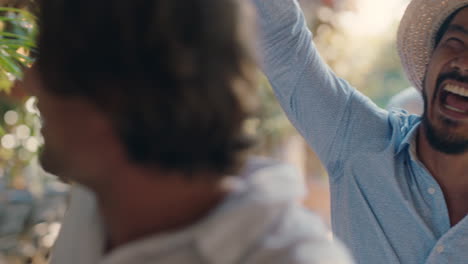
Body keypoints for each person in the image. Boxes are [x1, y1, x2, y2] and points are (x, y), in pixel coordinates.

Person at [21, 0, 354, 263]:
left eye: (48, 62)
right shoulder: (96, 202)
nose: (22, 87)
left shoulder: (291, 258)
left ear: (118, 88)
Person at [252, 0, 468, 263]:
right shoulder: (357, 141)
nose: (464, 63)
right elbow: (283, 45)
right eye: (456, 41)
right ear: (430, 60)